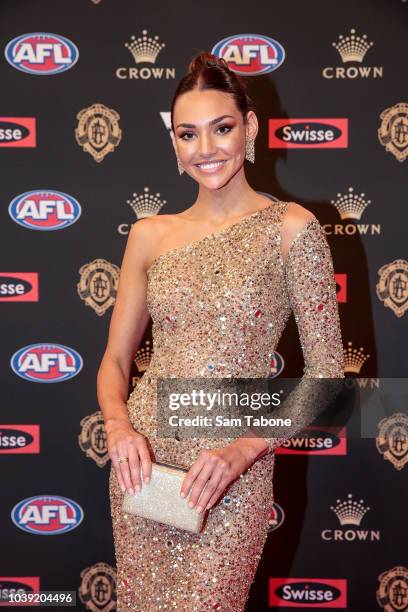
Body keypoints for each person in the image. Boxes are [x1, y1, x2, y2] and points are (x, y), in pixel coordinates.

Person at [97, 52, 344, 611]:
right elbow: (115, 361)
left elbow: (327, 379)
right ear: (175, 144)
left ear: (250, 128)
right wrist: (118, 428)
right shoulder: (149, 234)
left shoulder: (292, 230)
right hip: (145, 467)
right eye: (189, 134)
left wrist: (242, 451)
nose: (205, 149)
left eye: (222, 128)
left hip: (232, 476)